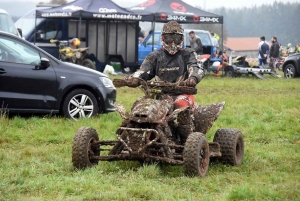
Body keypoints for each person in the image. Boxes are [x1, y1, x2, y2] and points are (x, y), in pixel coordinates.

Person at [125, 21, 205, 143]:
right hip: (160, 96)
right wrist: (133, 78)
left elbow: (196, 67)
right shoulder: (155, 56)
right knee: (139, 106)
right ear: (163, 38)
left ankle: (187, 141)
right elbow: (143, 71)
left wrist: (192, 79)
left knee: (180, 105)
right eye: (169, 38)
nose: (172, 42)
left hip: (182, 94)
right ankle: (133, 138)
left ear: (182, 38)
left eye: (176, 38)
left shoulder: (188, 54)